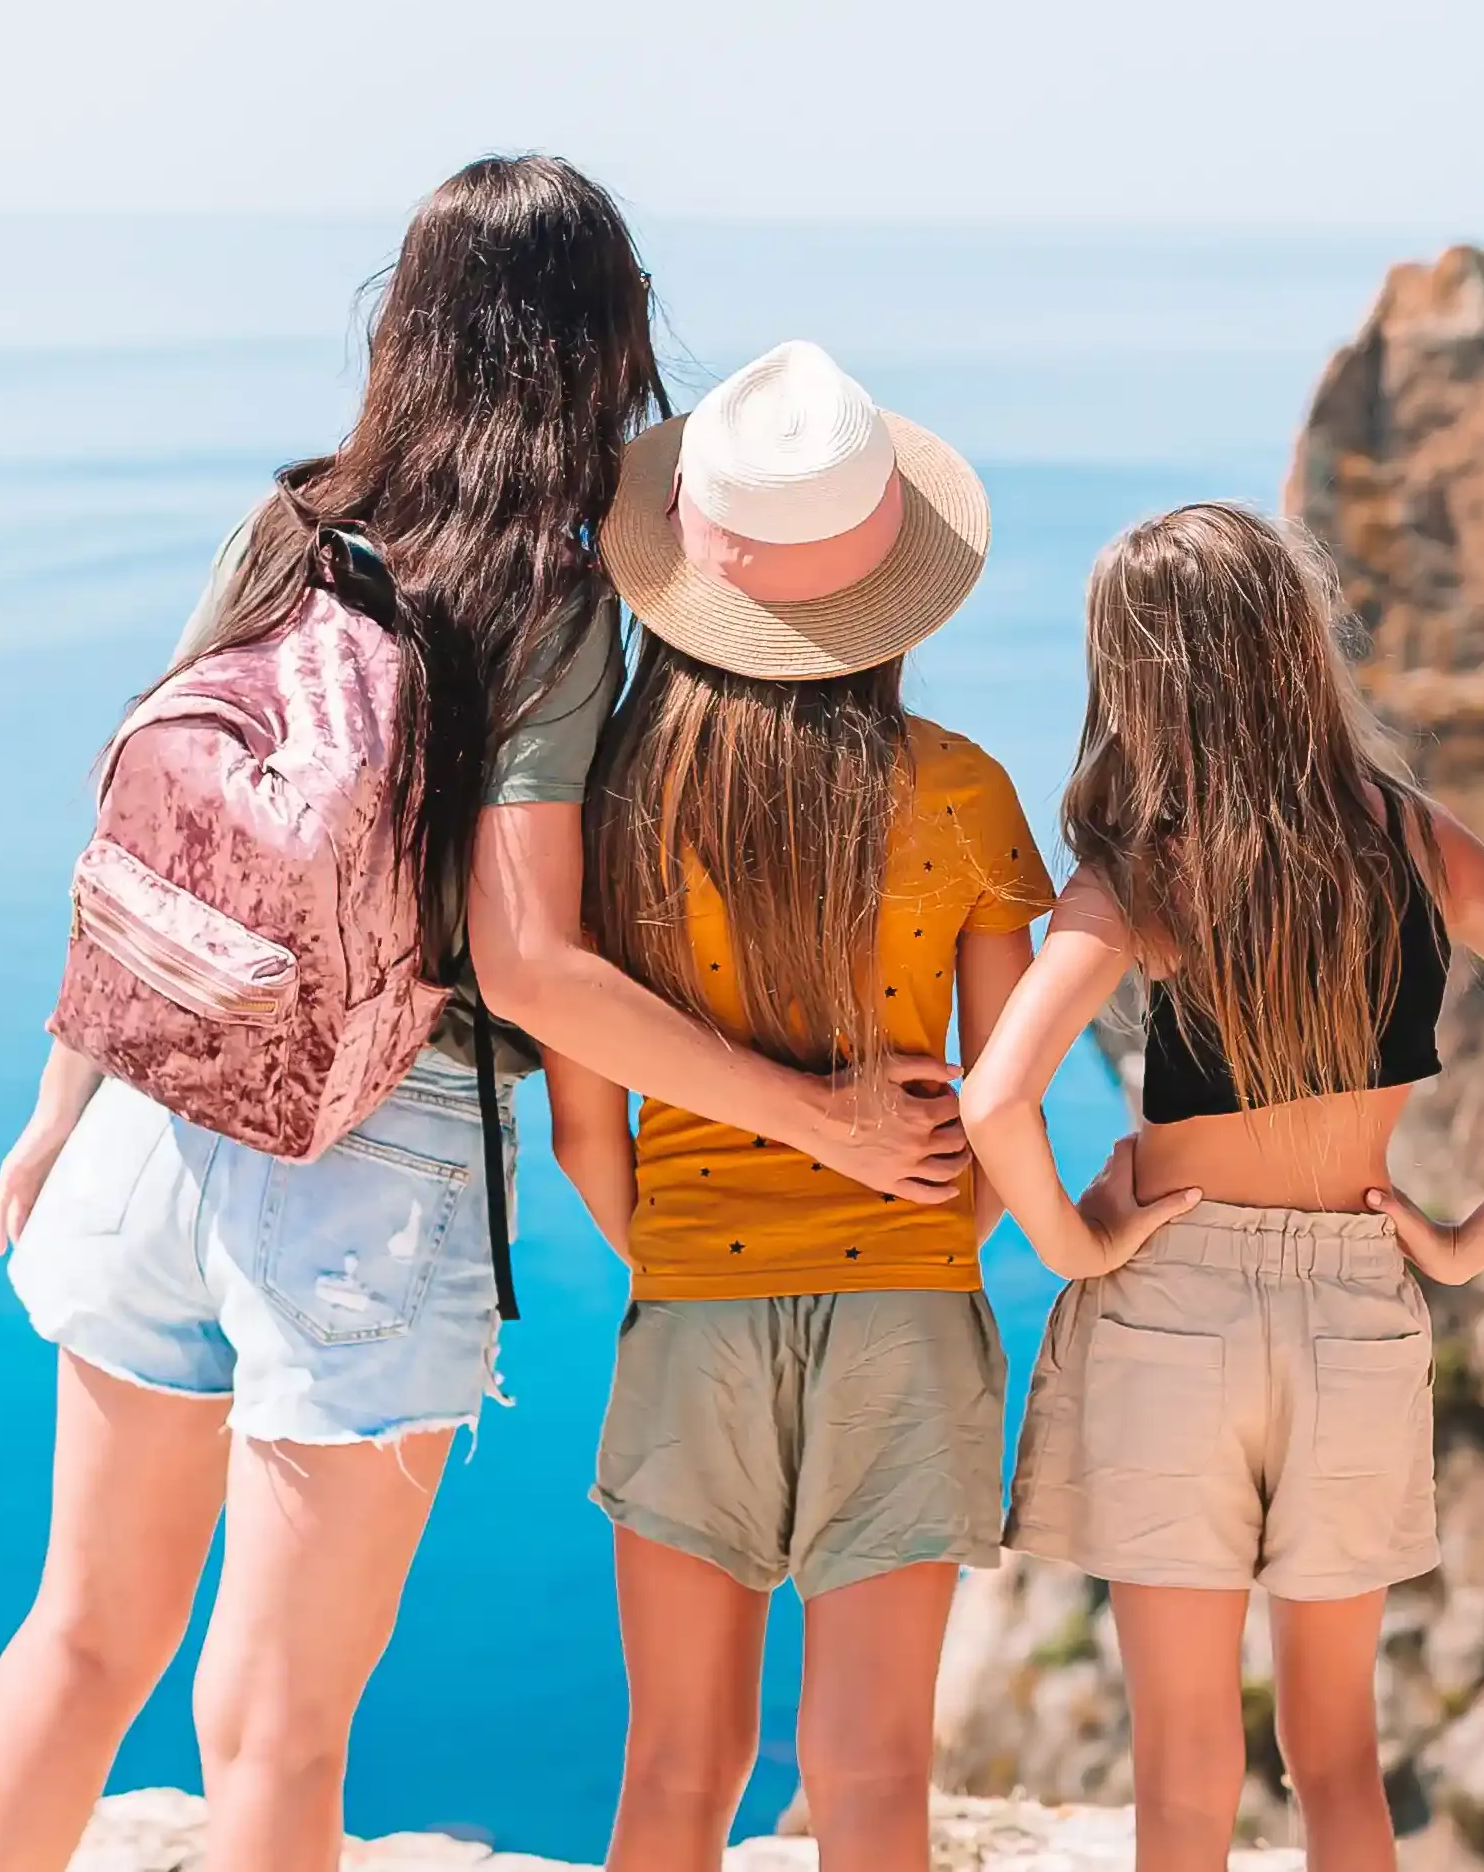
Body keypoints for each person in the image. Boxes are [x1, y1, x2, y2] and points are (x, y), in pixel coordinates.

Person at [0, 163, 981, 1872]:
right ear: (604, 349)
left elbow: (155, 846)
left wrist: (58, 1113)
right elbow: (527, 962)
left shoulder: (288, 524)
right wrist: (825, 1119)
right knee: (275, 1722)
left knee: (78, 1637)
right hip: (372, 1162)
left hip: (157, 1110)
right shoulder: (549, 600)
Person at [962, 502, 1484, 1872]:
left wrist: (1077, 1244)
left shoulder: (1142, 869)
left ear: (1137, 677)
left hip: (1172, 1308)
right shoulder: (1415, 842)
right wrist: (1464, 1247)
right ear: (1292, 644)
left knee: (1181, 1761)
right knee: (1334, 1754)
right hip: (1354, 1304)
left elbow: (995, 1095)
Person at [542, 341, 1055, 1872]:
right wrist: (942, 1224)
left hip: (692, 1296)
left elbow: (583, 1128)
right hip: (904, 1301)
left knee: (676, 1770)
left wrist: (683, 1242)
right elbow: (1008, 1098)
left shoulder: (612, 797)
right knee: (874, 1773)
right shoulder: (960, 790)